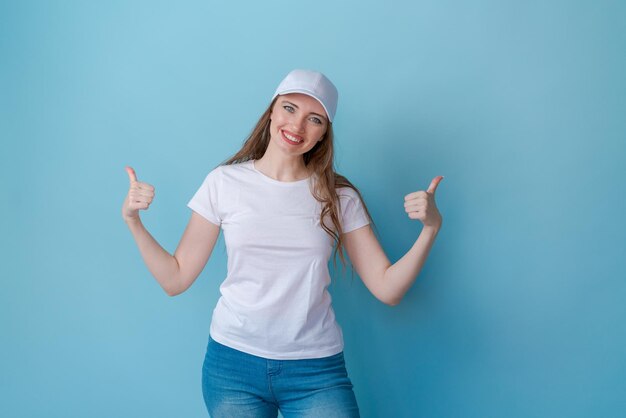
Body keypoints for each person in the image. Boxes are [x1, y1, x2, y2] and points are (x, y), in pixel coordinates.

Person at [122, 69, 443, 418]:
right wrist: (133, 222)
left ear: (324, 133)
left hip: (316, 371)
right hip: (233, 367)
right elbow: (176, 278)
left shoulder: (340, 197)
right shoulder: (224, 183)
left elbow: (387, 289)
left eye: (314, 119)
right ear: (272, 111)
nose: (297, 126)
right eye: (289, 108)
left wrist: (430, 229)